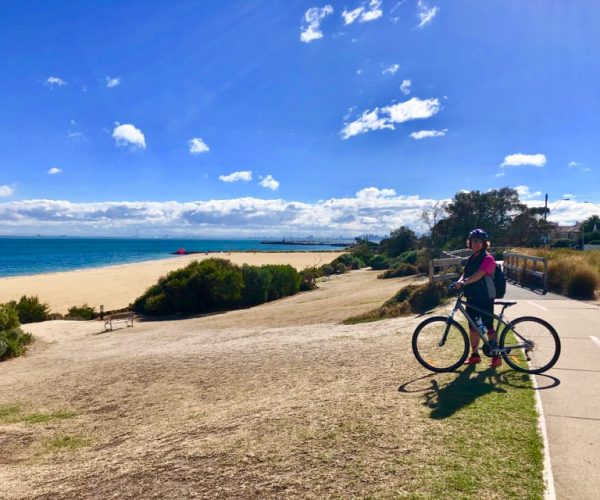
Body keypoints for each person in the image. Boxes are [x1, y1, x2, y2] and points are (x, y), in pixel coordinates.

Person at [455, 228, 501, 368]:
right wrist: (459, 281)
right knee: (473, 327)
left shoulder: (488, 258)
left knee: (489, 326)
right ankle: (475, 355)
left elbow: (480, 274)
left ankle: (496, 357)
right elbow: (466, 274)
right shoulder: (471, 258)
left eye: (479, 242)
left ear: (484, 243)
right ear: (470, 243)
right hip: (472, 296)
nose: (476, 244)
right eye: (474, 241)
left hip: (485, 297)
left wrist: (465, 282)